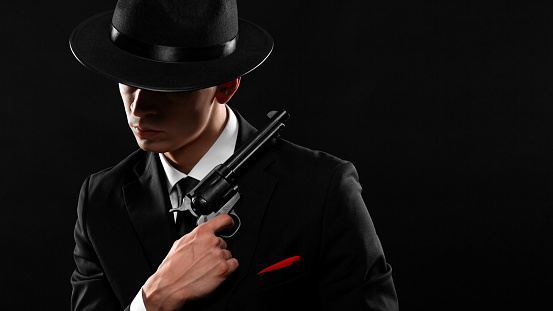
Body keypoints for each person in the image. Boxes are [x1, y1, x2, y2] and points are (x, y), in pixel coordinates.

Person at [69, 0, 398, 310]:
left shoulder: (322, 189)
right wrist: (153, 300)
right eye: (127, 79)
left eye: (165, 85)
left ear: (225, 86)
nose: (138, 108)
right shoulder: (100, 201)